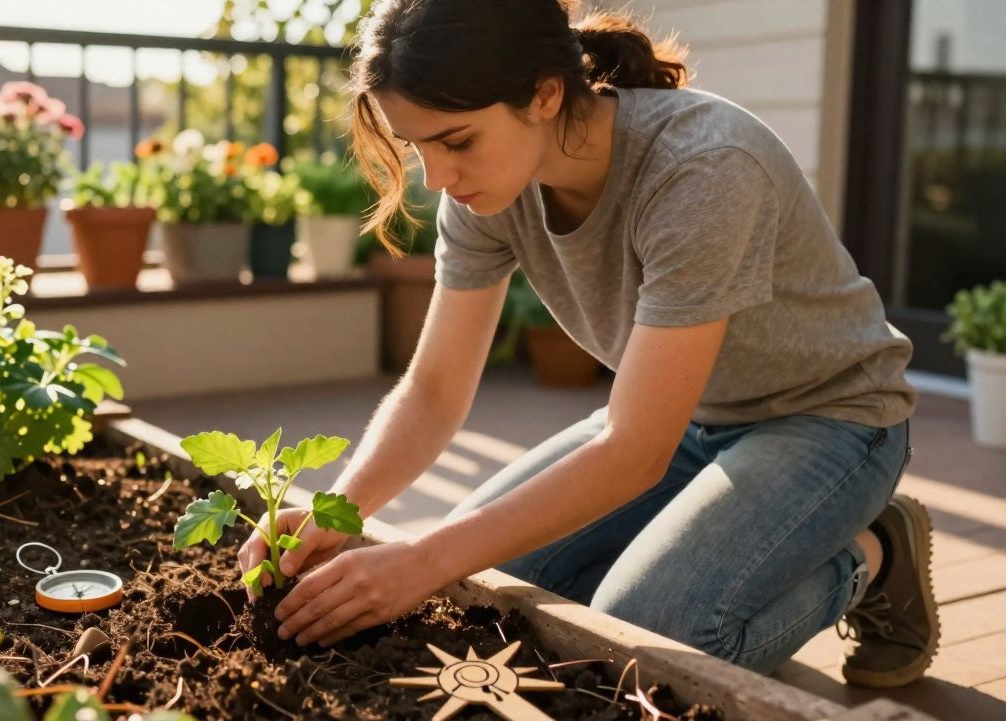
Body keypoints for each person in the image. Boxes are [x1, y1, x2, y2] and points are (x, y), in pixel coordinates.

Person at [237, 0, 939, 686]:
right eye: (417, 147)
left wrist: (420, 560)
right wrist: (342, 508)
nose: (437, 178)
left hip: (831, 419)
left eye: (455, 141)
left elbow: (634, 451)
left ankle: (874, 553)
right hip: (688, 417)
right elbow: (433, 389)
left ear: (543, 95)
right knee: (488, 590)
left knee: (647, 638)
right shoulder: (488, 190)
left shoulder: (703, 167)